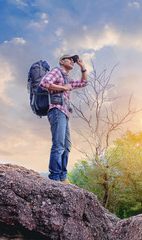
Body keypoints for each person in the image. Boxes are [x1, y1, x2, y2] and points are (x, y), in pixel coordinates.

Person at [40, 54, 87, 183]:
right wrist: (63, 88)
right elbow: (44, 83)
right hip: (56, 110)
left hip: (65, 114)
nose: (72, 61)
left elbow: (83, 83)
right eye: (69, 59)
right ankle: (55, 178)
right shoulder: (56, 71)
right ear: (62, 61)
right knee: (59, 145)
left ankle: (62, 177)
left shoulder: (67, 78)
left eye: (74, 60)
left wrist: (82, 67)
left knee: (66, 147)